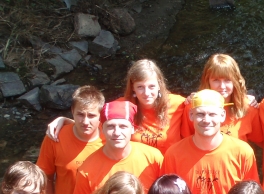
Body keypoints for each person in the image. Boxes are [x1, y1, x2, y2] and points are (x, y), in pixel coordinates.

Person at [47, 59, 188, 155]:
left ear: (159, 85)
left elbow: (199, 124)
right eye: (140, 87)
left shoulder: (179, 104)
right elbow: (95, 125)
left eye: (151, 86)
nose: (146, 93)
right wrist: (64, 120)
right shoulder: (121, 106)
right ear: (132, 87)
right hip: (136, 171)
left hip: (169, 173)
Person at [163, 89, 259, 194]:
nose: (206, 120)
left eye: (212, 114)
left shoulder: (242, 152)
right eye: (200, 114)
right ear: (191, 115)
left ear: (222, 115)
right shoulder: (174, 154)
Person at [182, 53, 263, 145]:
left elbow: (260, 141)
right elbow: (186, 143)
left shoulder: (248, 107)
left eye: (227, 80)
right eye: (216, 80)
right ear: (207, 81)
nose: (222, 86)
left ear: (235, 81)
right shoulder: (193, 107)